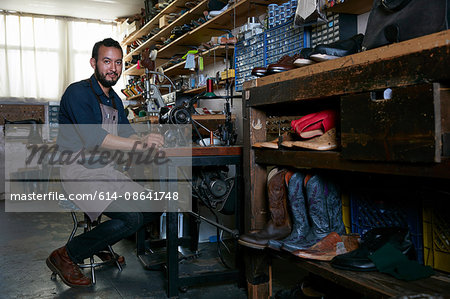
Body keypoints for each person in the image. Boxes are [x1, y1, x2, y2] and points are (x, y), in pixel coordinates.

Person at [46, 38, 163, 288]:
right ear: (93, 63)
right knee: (130, 219)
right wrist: (138, 145)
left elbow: (127, 132)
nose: (113, 68)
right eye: (107, 61)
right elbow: (93, 139)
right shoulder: (78, 93)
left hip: (107, 173)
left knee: (156, 205)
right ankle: (66, 255)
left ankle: (97, 243)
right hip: (78, 174)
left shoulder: (115, 100)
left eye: (118, 62)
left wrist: (145, 138)